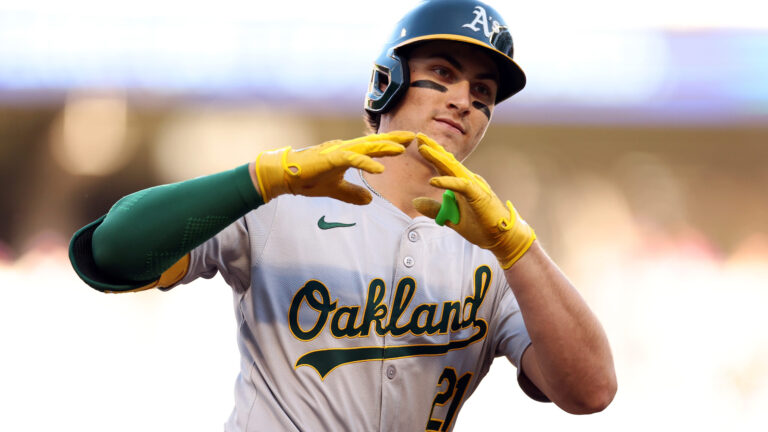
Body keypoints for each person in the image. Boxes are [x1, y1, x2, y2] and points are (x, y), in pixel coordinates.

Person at [69, 0, 616, 430]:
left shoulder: (494, 249)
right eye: (442, 73)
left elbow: (591, 392)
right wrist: (261, 179)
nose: (462, 100)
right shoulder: (284, 196)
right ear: (388, 81)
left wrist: (515, 245)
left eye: (482, 92)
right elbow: (111, 253)